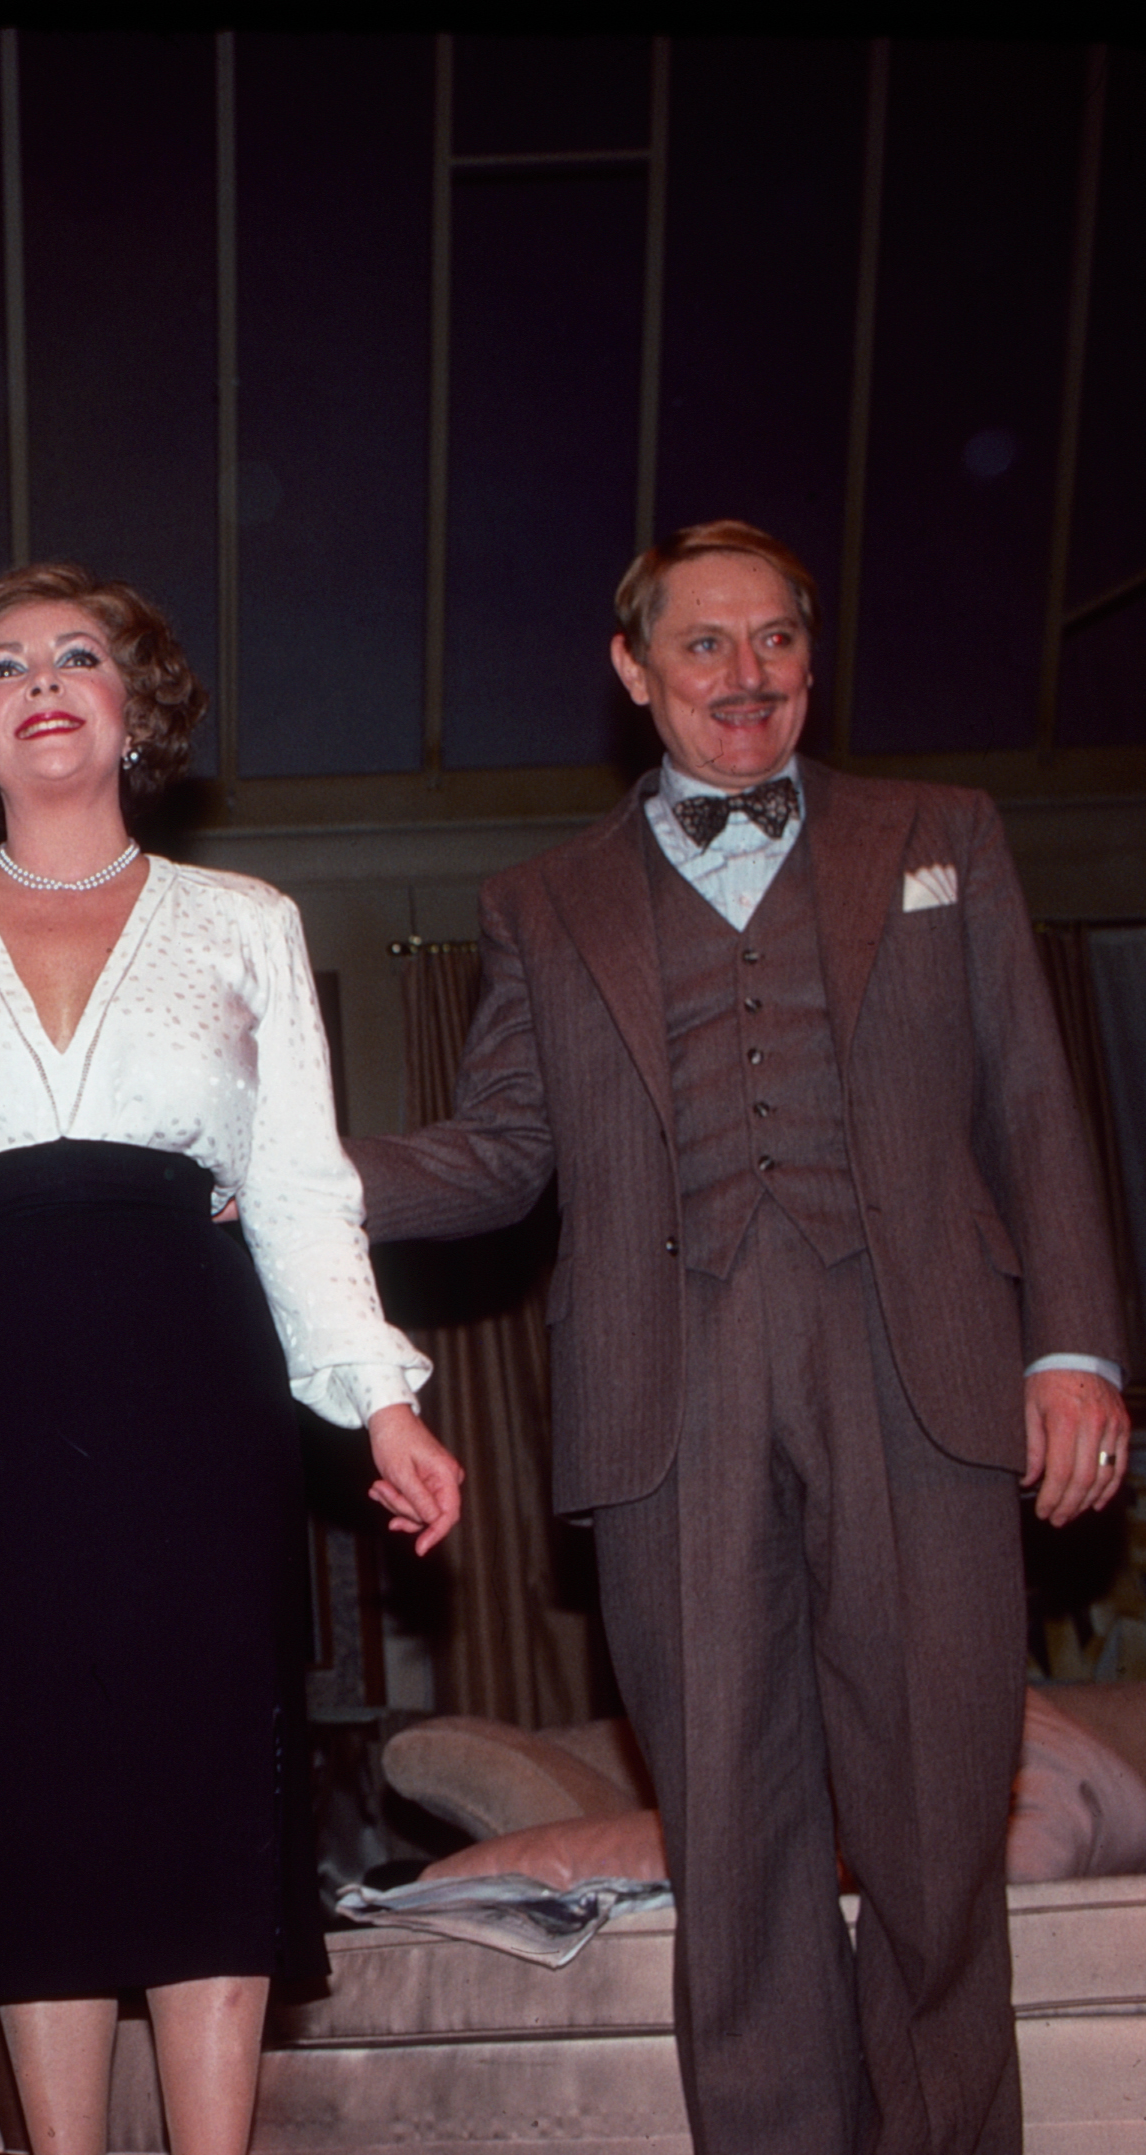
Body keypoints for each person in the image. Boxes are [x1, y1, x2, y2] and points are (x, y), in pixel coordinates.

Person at [344, 520, 1129, 2155]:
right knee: (735, 1847)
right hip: (668, 1400)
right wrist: (279, 1175)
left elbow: (1031, 1110)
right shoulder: (540, 903)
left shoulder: (943, 835)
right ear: (634, 673)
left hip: (920, 1379)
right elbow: (496, 1153)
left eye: (774, 640)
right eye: (704, 644)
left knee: (931, 1843)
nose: (746, 674)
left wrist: (1074, 1350)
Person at [0, 564, 464, 2155]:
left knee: (197, 1785)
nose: (42, 679)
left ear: (134, 707)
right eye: (1, 666)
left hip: (197, 1387)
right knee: (27, 1797)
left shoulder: (246, 923)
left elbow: (305, 1188)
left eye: (80, 655)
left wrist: (378, 1402)